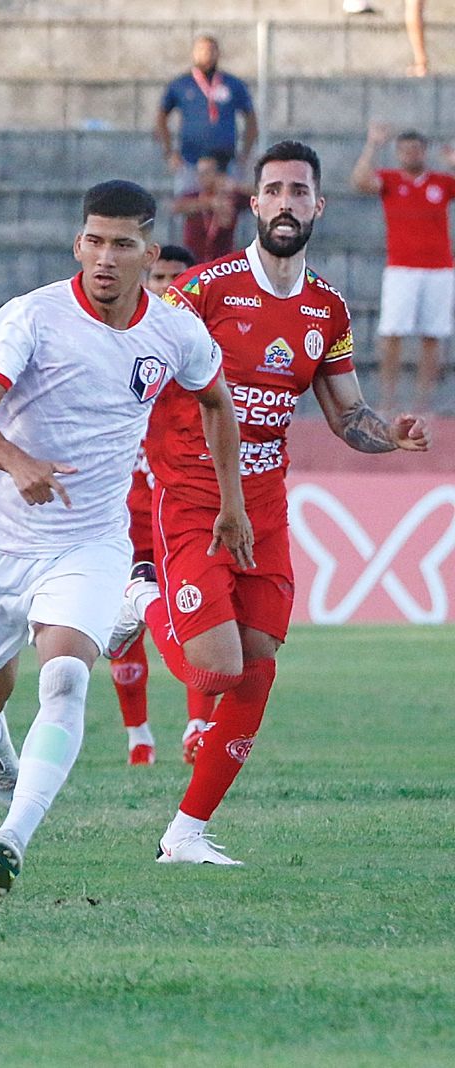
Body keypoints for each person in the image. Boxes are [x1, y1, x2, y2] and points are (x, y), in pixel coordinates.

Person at [118, 140, 431, 865]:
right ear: (253, 204)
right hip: (192, 500)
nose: (286, 202)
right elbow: (133, 369)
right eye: (274, 190)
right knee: (215, 672)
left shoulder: (327, 307)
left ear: (317, 206)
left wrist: (394, 434)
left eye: (299, 191)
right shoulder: (201, 290)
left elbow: (348, 415)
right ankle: (138, 599)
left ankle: (186, 833)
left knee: (258, 666)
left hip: (264, 508)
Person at [0, 181, 250, 897]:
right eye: (94, 241)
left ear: (149, 251)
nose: (105, 257)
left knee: (64, 678)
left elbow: (218, 403)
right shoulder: (33, 318)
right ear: (77, 244)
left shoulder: (174, 330)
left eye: (122, 244)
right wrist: (21, 464)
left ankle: (10, 836)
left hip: (90, 542)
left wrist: (231, 503)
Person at [109, 243, 199, 767]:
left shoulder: (202, 353)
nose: (168, 287)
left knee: (194, 617)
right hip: (124, 519)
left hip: (183, 512)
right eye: (159, 276)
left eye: (178, 278)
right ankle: (138, 734)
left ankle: (198, 725)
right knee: (123, 630)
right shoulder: (120, 346)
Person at [350, 122, 455, 408]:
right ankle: (387, 402)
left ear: (425, 152)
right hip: (401, 269)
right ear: (398, 153)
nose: (411, 155)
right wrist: (373, 145)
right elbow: (359, 180)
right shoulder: (390, 180)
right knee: (392, 333)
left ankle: (423, 405)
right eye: (405, 150)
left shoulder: (441, 182)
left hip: (440, 268)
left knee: (432, 336)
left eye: (416, 150)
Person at [156, 35, 259, 194]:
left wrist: (245, 152)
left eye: (211, 50)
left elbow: (251, 118)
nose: (206, 55)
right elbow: (161, 117)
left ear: (218, 53)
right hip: (190, 161)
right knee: (189, 205)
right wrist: (169, 152)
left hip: (225, 162)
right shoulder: (180, 84)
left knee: (227, 208)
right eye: (201, 50)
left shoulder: (233, 84)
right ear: (194, 53)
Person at [171, 152, 249, 265]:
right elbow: (175, 207)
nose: (201, 177)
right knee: (192, 283)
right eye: (199, 173)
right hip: (194, 262)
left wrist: (235, 185)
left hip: (222, 264)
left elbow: (257, 196)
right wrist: (209, 204)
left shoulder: (230, 196)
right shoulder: (193, 195)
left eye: (206, 173)